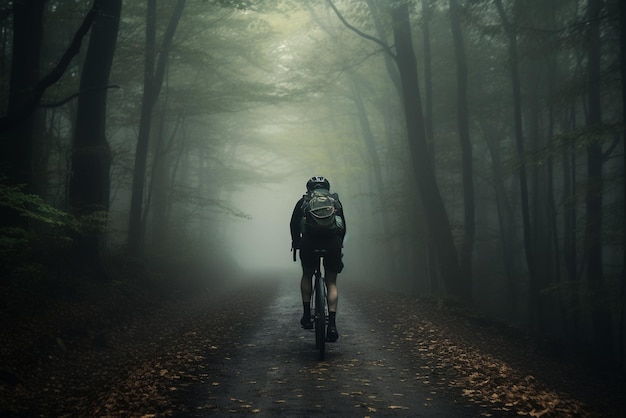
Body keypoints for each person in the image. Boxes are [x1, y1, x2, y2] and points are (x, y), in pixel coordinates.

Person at [290, 176, 346, 342]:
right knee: (331, 282)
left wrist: (297, 242)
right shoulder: (335, 201)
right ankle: (333, 324)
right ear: (327, 188)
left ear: (309, 188)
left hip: (309, 242)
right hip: (332, 243)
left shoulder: (303, 202)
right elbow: (343, 226)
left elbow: (293, 225)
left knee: (307, 274)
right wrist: (339, 244)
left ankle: (307, 316)